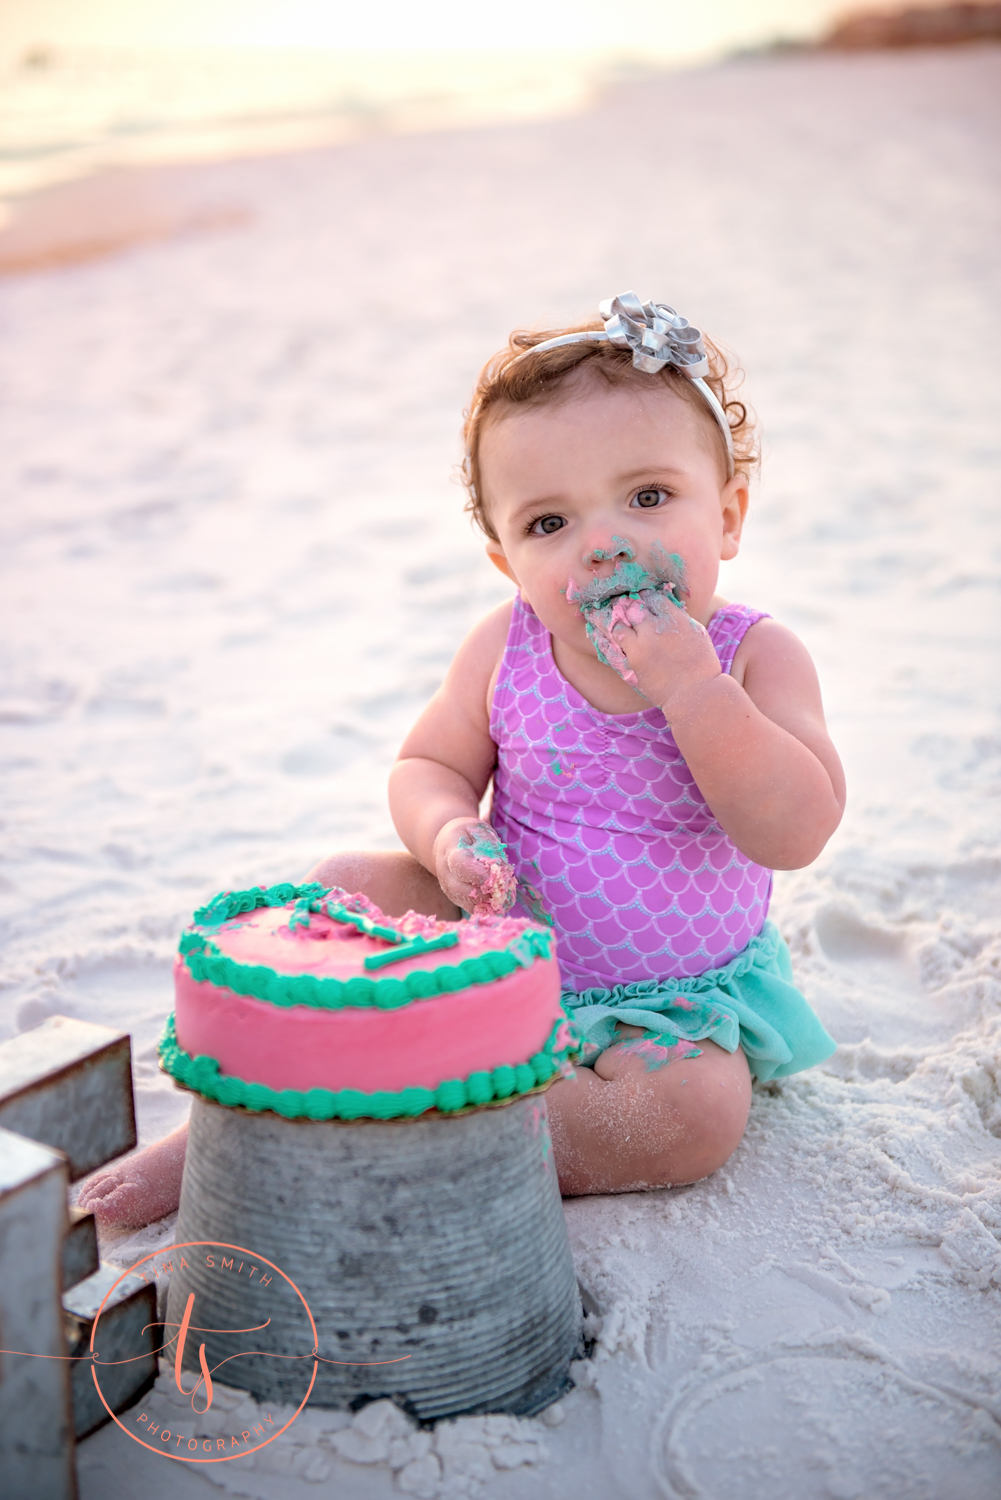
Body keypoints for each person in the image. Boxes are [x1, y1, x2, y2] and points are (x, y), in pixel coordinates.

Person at [78, 292, 843, 1227]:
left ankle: (425, 1127)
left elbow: (794, 829)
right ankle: (232, 1125)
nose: (603, 545)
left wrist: (693, 690)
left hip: (664, 1004)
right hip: (495, 933)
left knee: (695, 1118)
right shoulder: (506, 647)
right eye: (549, 523)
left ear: (726, 516)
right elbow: (424, 769)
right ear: (504, 559)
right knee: (344, 882)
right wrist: (447, 836)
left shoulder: (753, 657)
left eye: (648, 497)